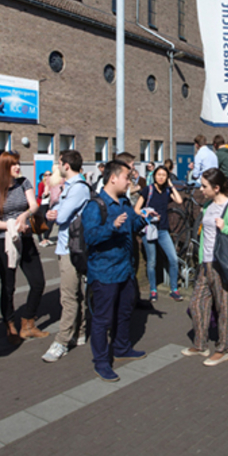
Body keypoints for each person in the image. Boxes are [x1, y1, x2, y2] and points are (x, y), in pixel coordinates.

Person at [83, 160, 152, 382]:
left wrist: (145, 219)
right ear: (113, 178)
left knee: (124, 312)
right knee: (103, 319)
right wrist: (112, 227)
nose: (130, 181)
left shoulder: (123, 202)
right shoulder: (95, 205)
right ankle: (101, 362)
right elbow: (90, 236)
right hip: (104, 271)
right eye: (127, 177)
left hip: (125, 270)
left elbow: (132, 225)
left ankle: (122, 348)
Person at [182, 168, 228, 366]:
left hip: (223, 266)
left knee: (225, 308)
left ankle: (223, 349)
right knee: (197, 304)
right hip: (205, 264)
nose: (200, 190)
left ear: (216, 187)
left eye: (204, 186)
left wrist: (226, 228)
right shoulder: (207, 205)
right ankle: (201, 344)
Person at [0, 151, 47, 344]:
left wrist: (25, 215)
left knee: (38, 282)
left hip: (25, 239)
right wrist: (11, 225)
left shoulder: (23, 182)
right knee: (8, 286)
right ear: (4, 168)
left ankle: (28, 322)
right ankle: (9, 324)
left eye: (18, 163)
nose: (18, 167)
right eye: (13, 165)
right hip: (4, 241)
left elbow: (34, 205)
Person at [43, 150, 92, 363]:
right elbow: (55, 213)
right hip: (69, 246)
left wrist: (55, 212)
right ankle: (79, 332)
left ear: (65, 165)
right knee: (76, 293)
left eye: (59, 163)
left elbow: (60, 216)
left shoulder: (78, 188)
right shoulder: (71, 187)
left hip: (71, 248)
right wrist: (53, 213)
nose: (57, 167)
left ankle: (61, 341)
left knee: (68, 296)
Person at [134, 165, 184, 302]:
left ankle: (174, 289)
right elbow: (137, 209)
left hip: (162, 230)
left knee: (173, 259)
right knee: (152, 262)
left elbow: (179, 200)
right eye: (159, 174)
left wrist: (171, 185)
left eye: (164, 175)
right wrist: (147, 214)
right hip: (149, 229)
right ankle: (153, 290)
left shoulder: (167, 191)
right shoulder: (147, 190)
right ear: (154, 176)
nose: (161, 177)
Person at [37, 170, 54, 247]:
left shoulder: (53, 184)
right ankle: (41, 239)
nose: (48, 176)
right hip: (43, 204)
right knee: (42, 221)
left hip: (50, 204)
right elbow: (40, 195)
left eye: (49, 174)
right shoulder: (41, 184)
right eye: (46, 175)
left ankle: (46, 237)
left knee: (50, 222)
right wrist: (46, 191)